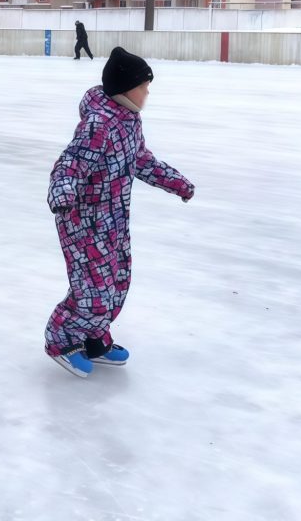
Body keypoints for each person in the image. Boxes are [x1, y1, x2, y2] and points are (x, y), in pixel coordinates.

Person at [45, 47, 194, 378]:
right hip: (81, 221)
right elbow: (70, 163)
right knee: (92, 289)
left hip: (113, 220)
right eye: (143, 86)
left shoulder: (129, 121)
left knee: (116, 283)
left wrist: (177, 183)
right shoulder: (99, 124)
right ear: (125, 88)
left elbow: (141, 160)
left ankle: (94, 339)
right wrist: (63, 192)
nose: (147, 93)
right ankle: (60, 339)